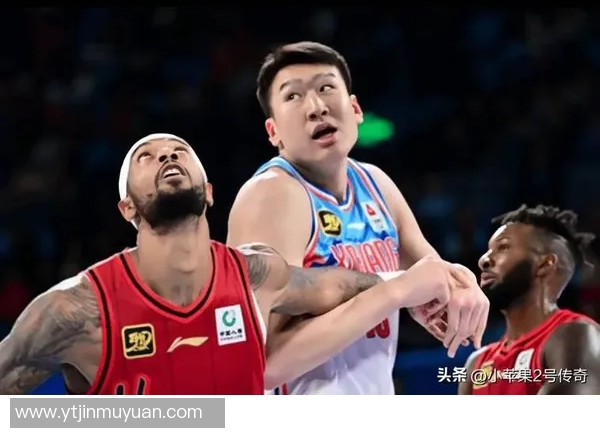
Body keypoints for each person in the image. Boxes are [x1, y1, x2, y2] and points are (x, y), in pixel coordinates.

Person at [0, 133, 461, 395]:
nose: (167, 156)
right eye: (147, 157)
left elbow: (336, 285)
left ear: (209, 193)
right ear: (128, 209)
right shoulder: (75, 311)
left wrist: (416, 287)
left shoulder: (257, 274)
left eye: (179, 151)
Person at [227, 41, 490, 395]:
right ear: (273, 132)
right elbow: (260, 366)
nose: (316, 107)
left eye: (325, 88)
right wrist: (395, 292)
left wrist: (461, 284)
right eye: (293, 96)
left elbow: (431, 275)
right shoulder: (271, 195)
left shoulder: (375, 183)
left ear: (355, 109)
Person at [459, 204, 600, 395]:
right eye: (488, 250)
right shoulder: (476, 364)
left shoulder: (577, 335)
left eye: (503, 247)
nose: (484, 260)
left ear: (545, 264)